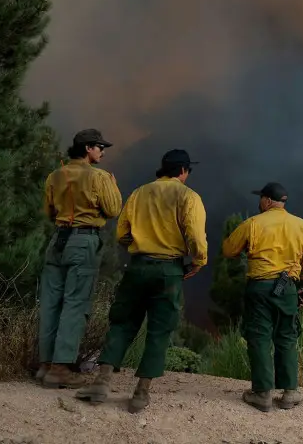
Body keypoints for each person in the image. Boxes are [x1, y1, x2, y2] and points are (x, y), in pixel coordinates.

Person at [75, 149, 207, 413]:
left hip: (137, 267)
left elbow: (122, 232)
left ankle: (101, 384)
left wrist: (138, 247)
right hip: (169, 270)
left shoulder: (139, 193)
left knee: (123, 322)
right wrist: (199, 260)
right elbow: (194, 234)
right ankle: (140, 393)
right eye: (188, 170)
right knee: (159, 330)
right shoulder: (188, 196)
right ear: (182, 171)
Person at [37, 128, 121, 388]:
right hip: (84, 242)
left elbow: (49, 212)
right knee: (75, 304)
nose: (103, 151)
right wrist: (113, 186)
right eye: (99, 147)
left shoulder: (55, 175)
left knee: (51, 303)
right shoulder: (100, 177)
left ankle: (45, 365)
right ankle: (61, 368)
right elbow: (113, 209)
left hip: (57, 241)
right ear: (88, 148)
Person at [221, 182, 303, 412]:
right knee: (287, 336)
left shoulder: (253, 223)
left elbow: (228, 250)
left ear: (266, 201)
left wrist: (246, 248)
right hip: (288, 289)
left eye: (261, 198)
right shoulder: (301, 225)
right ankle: (290, 393)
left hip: (259, 288)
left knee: (260, 337)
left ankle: (262, 394)